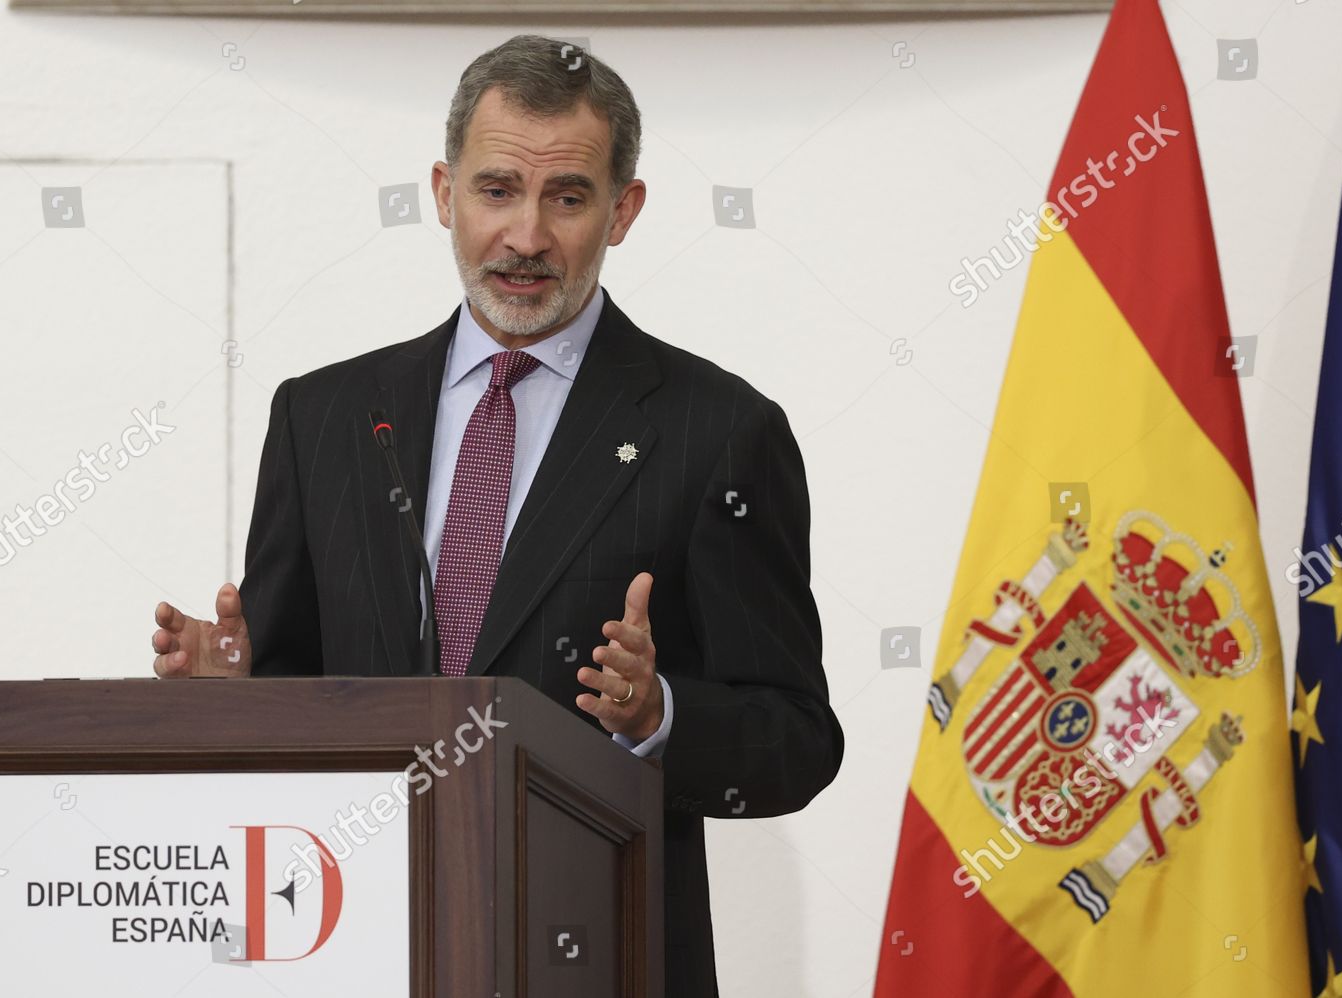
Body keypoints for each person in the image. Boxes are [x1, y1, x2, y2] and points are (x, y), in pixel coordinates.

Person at [148, 33, 843, 995]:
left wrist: (658, 715)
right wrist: (239, 702)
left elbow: (796, 740)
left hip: (600, 951)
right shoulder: (326, 417)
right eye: (496, 190)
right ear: (443, 193)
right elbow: (305, 691)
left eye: (568, 197)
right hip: (360, 947)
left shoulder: (719, 433)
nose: (525, 237)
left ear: (624, 210)